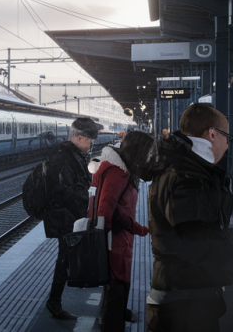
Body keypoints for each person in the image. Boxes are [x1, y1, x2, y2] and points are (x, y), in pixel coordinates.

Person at [146, 103, 233, 331]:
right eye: (227, 137)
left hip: (185, 297)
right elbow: (193, 242)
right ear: (212, 134)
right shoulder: (187, 177)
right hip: (185, 305)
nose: (227, 145)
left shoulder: (186, 168)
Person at [91, 131, 152, 331]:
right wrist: (137, 228)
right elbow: (105, 211)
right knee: (116, 291)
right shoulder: (118, 173)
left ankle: (114, 321)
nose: (149, 157)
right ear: (137, 152)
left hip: (118, 241)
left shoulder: (119, 169)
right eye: (147, 153)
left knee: (117, 291)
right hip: (114, 243)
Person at [41, 116, 98, 320]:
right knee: (65, 258)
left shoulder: (70, 154)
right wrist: (88, 195)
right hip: (64, 217)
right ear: (80, 137)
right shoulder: (63, 157)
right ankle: (54, 302)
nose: (92, 143)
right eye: (91, 139)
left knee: (66, 258)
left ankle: (55, 300)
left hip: (69, 216)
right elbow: (63, 190)